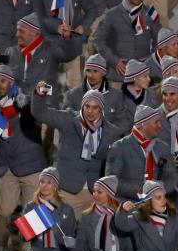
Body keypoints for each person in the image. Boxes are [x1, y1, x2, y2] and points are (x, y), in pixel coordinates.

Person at [0, 65, 47, 251]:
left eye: (2, 81)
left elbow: (38, 107)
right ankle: (2, 243)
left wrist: (29, 103)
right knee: (3, 212)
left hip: (32, 166)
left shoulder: (26, 100)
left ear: (11, 82)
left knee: (33, 214)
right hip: (8, 167)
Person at [32, 83, 116, 214]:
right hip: (68, 191)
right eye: (87, 106)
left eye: (95, 107)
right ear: (82, 106)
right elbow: (40, 113)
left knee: (88, 233)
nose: (90, 111)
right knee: (63, 230)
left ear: (101, 109)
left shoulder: (110, 131)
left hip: (94, 194)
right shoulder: (68, 120)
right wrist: (39, 96)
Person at [94, 0, 161, 84]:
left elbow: (159, 39)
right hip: (118, 75)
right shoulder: (111, 15)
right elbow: (99, 40)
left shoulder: (151, 12)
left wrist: (150, 61)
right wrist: (114, 61)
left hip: (144, 76)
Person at [106, 103, 178, 201]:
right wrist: (142, 191)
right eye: (156, 122)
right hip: (127, 203)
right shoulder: (120, 147)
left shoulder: (162, 147)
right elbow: (112, 180)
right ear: (144, 125)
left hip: (156, 202)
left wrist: (160, 189)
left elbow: (173, 176)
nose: (160, 126)